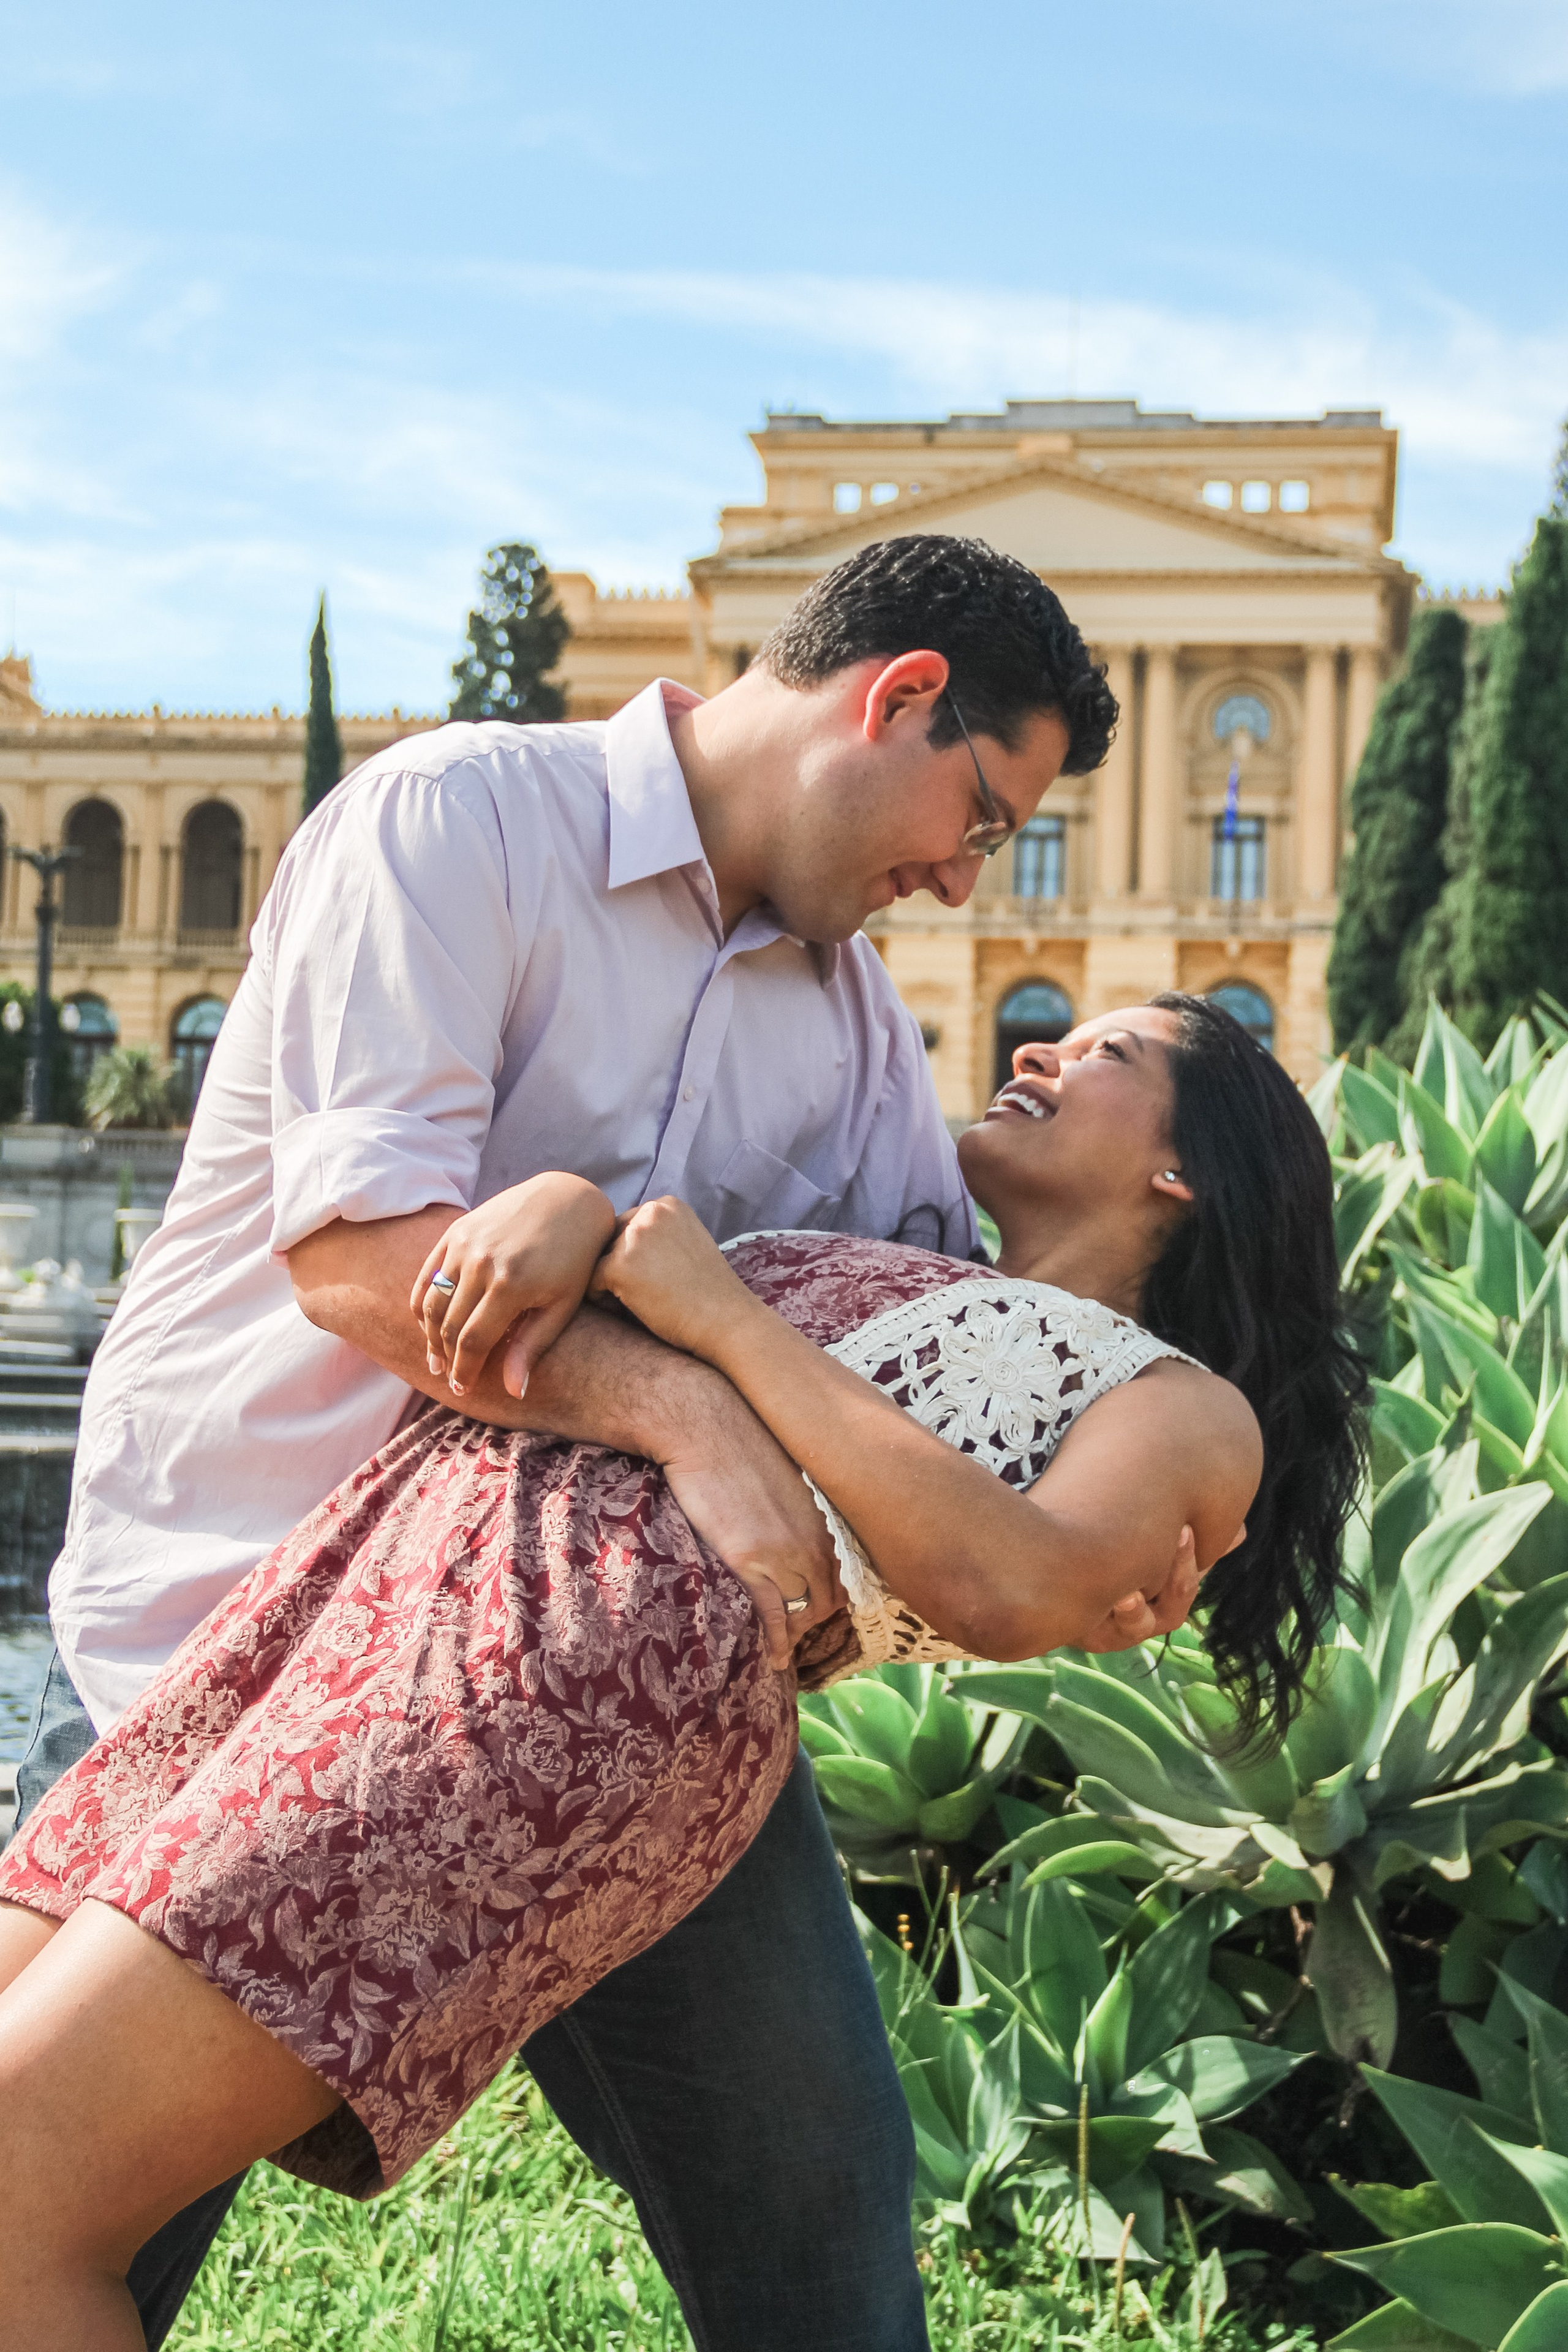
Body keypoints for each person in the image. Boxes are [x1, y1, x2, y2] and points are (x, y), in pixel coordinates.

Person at [6, 533, 1204, 2352]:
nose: (964, 882)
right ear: (895, 699)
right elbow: (356, 1259)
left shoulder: (861, 1036)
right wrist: (674, 1403)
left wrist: (1116, 1508)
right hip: (225, 1629)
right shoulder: (461, 826)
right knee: (63, 2214)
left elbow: (908, 1362)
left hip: (602, 1710)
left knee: (814, 2212)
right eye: (980, 814)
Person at [0, 993, 1366, 2349]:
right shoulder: (902, 1253)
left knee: (23, 2201)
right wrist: (563, 1211)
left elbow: (1005, 1584)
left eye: (1102, 1054)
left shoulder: (1181, 1407)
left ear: (1180, 1171)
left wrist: (718, 1315)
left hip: (545, 1697)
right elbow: (615, 1308)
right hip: (355, 1603)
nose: (1035, 1051)